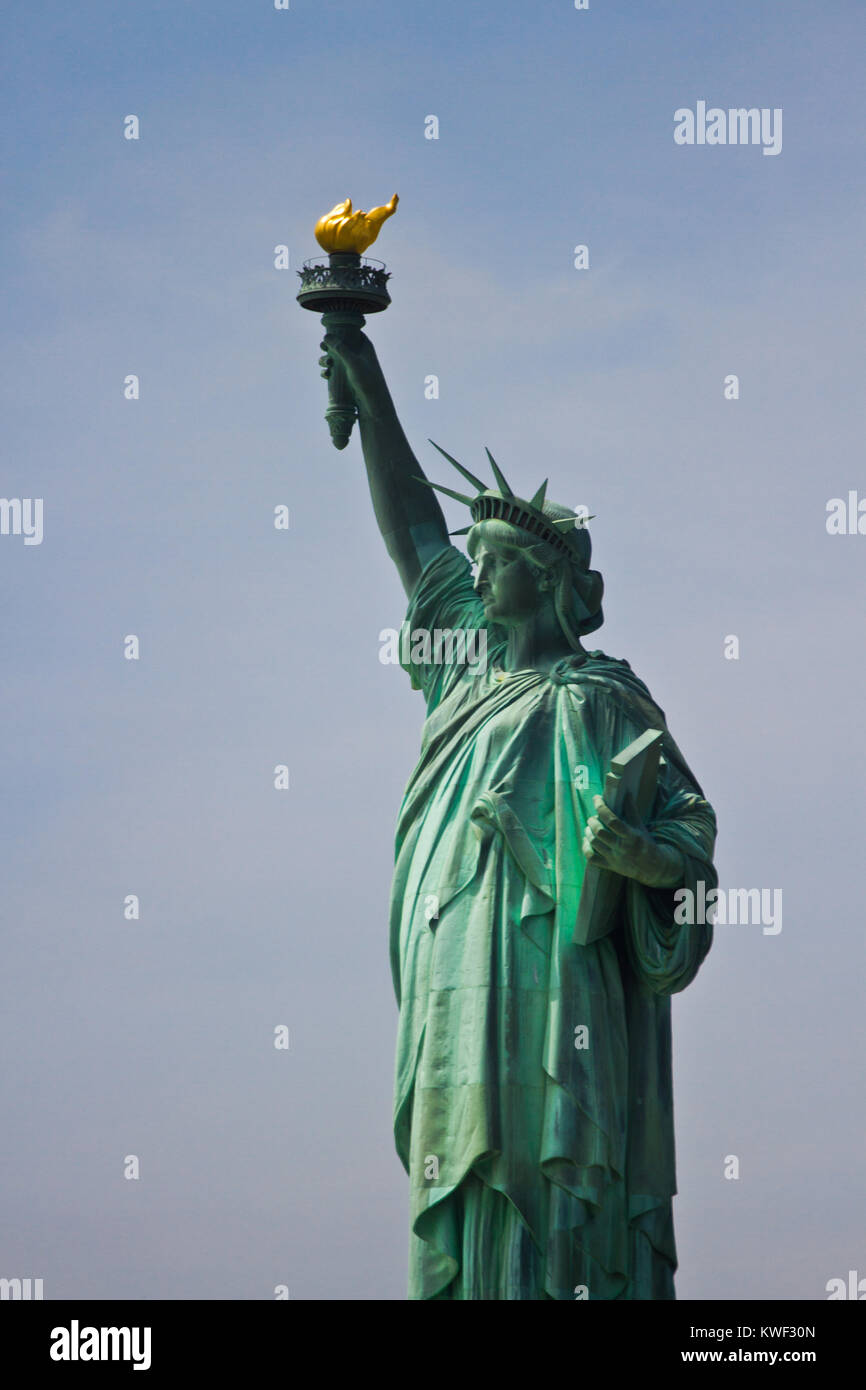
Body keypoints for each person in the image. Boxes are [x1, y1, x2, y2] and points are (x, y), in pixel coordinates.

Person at [320, 328, 718, 1300]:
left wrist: (640, 857)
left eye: (491, 560)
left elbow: (691, 840)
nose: (474, 571)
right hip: (455, 971)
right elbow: (412, 532)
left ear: (538, 580)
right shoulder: (459, 672)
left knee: (556, 1185)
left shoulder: (602, 699)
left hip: (563, 980)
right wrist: (359, 363)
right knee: (461, 1167)